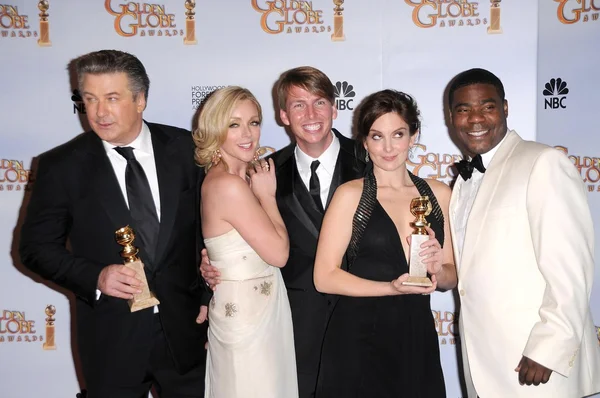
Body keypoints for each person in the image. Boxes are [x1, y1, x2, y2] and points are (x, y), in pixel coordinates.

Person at [19, 50, 207, 398]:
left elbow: (207, 232)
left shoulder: (186, 150)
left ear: (140, 100)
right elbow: (34, 249)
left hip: (187, 333)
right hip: (110, 340)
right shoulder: (61, 167)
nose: (99, 112)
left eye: (112, 98)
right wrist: (96, 276)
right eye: (89, 99)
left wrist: (209, 291)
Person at [200, 66, 366, 397]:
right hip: (292, 327)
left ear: (335, 109)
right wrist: (206, 273)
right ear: (284, 115)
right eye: (298, 105)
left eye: (319, 103)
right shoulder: (268, 171)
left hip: (362, 320)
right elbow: (209, 238)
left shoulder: (371, 159)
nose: (310, 114)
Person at [447, 68, 600, 398]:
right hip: (484, 361)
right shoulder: (462, 181)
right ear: (451, 117)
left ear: (505, 108)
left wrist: (549, 346)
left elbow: (571, 267)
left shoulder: (543, 162)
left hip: (535, 361)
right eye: (463, 109)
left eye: (487, 107)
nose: (475, 119)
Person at [312, 89, 455, 397]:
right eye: (377, 136)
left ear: (413, 136)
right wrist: (391, 287)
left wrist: (435, 270)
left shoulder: (439, 195)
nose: (388, 147)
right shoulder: (350, 195)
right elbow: (324, 277)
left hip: (415, 335)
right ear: (364, 141)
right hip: (357, 338)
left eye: (398, 134)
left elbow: (451, 274)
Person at [193, 86, 298, 397]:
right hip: (248, 321)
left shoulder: (237, 178)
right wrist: (267, 196)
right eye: (234, 124)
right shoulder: (228, 185)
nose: (248, 134)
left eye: (254, 122)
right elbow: (279, 254)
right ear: (215, 128)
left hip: (257, 311)